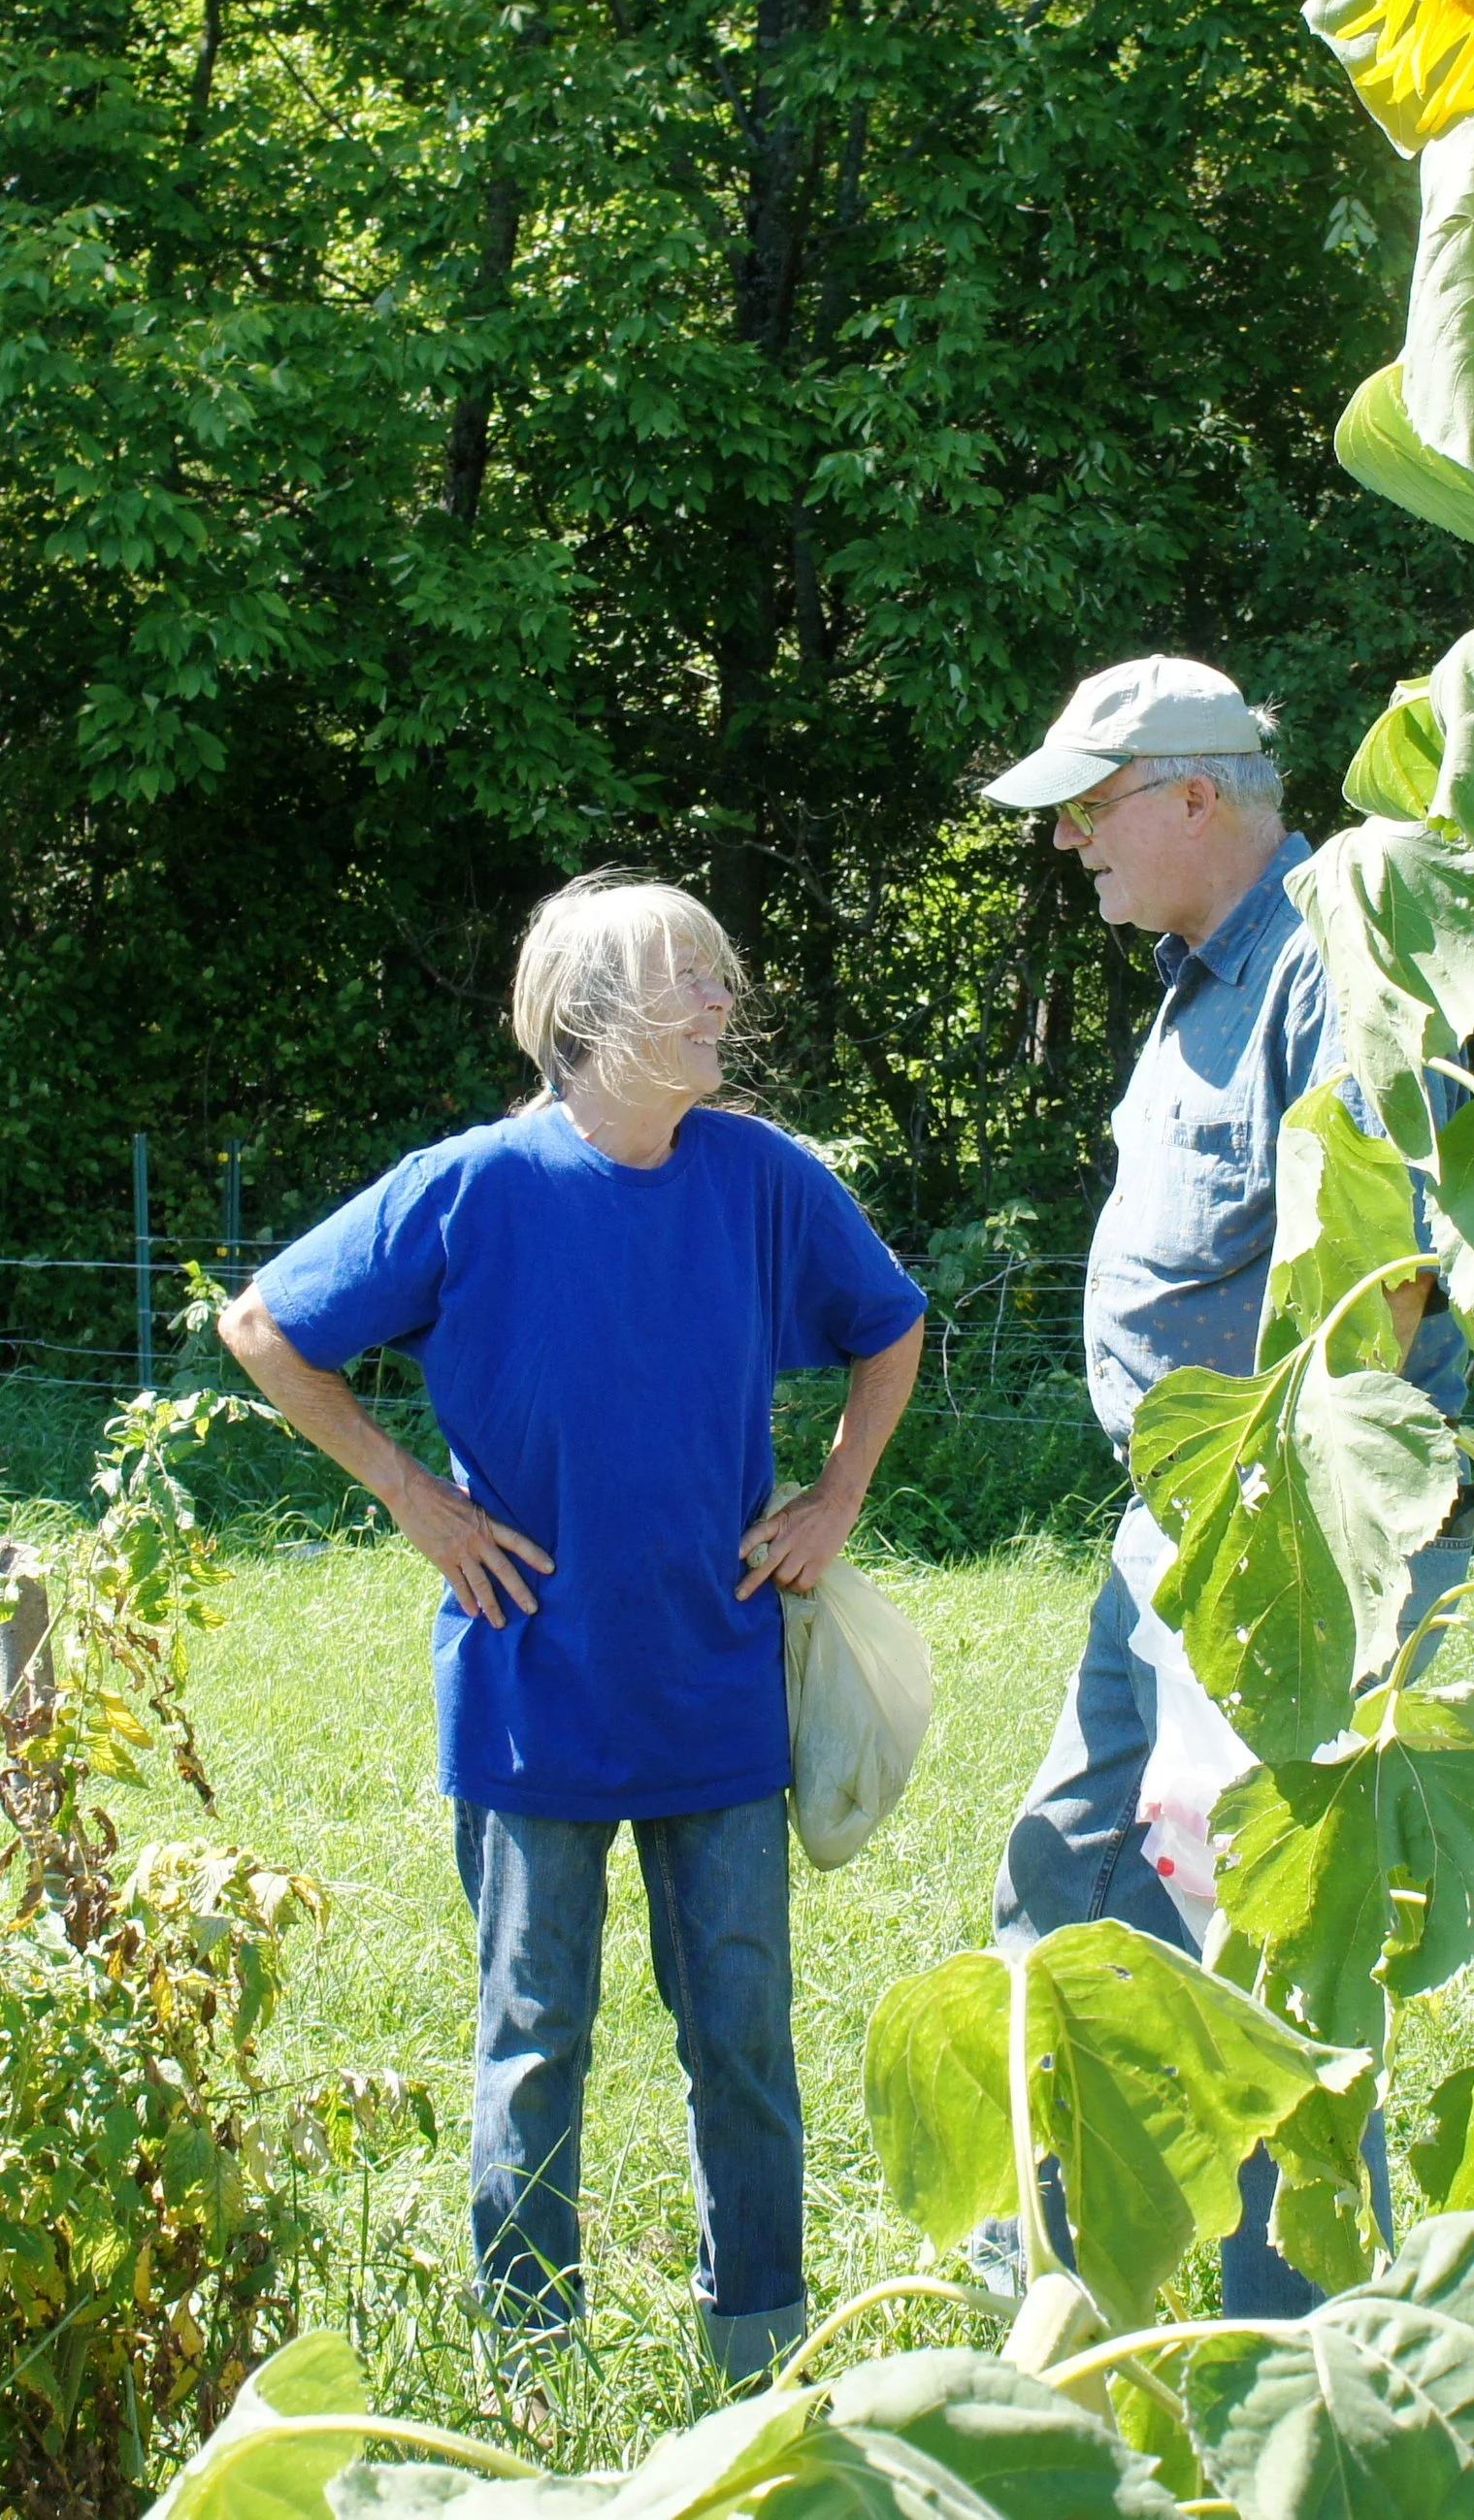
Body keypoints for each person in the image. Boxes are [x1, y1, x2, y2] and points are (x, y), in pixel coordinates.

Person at [217, 874, 927, 2384]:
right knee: (534, 2039)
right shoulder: (472, 1185)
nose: (725, 1002)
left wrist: (834, 1499)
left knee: (741, 2035)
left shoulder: (763, 1178)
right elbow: (266, 1326)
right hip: (531, 1686)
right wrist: (416, 1497)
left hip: (718, 1685)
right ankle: (531, 2364)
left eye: (723, 976)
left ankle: (761, 2351)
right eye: (692, 980)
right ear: (591, 1017)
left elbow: (891, 1323)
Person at [977, 655, 1470, 2316]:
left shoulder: (1339, 959)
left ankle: (1302, 2340)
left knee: (1253, 1924)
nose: (1069, 844)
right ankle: (1049, 2279)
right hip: (1176, 1529)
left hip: (1290, 1542)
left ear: (1197, 795)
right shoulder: (1208, 974)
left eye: (1089, 807)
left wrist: (1301, 1559)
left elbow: (1380, 1277)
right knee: (1070, 1874)